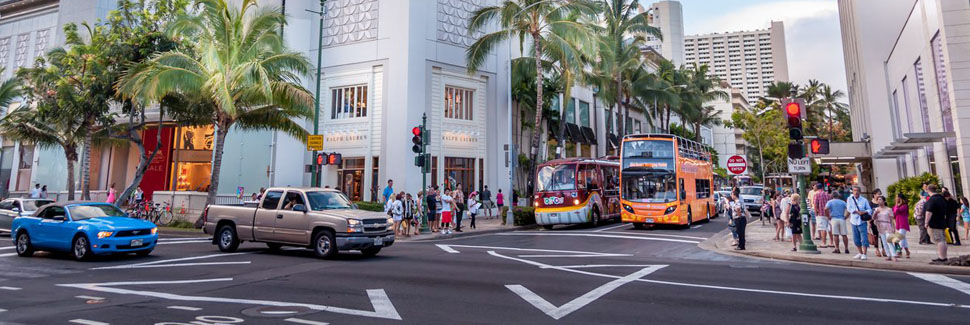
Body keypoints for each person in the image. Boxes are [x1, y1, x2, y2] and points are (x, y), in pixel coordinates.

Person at [924, 184, 949, 262]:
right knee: (943, 240)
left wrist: (926, 222)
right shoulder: (941, 198)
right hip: (942, 221)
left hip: (934, 223)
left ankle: (942, 258)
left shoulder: (932, 200)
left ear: (928, 190)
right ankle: (944, 257)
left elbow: (929, 212)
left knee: (939, 241)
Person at [846, 186, 872, 260]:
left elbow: (869, 209)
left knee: (864, 238)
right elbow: (849, 208)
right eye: (854, 190)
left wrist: (864, 212)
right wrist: (857, 212)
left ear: (860, 192)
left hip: (862, 221)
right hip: (854, 220)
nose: (856, 192)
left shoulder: (864, 200)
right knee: (856, 238)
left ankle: (864, 253)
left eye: (857, 190)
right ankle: (860, 252)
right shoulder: (850, 199)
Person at [873, 195, 898, 262]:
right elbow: (873, 218)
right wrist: (875, 213)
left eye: (880, 199)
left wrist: (893, 228)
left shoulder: (888, 209)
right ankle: (888, 255)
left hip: (887, 225)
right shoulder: (876, 209)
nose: (879, 201)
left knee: (889, 241)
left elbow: (892, 219)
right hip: (880, 225)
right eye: (878, 199)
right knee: (884, 242)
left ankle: (894, 255)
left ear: (884, 201)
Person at [893, 193, 911, 259]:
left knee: (899, 238)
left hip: (903, 224)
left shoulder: (905, 206)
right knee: (903, 238)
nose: (896, 199)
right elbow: (894, 214)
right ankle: (907, 251)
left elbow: (897, 211)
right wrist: (896, 204)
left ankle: (899, 251)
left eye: (897, 197)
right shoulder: (895, 206)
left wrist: (897, 205)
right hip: (897, 223)